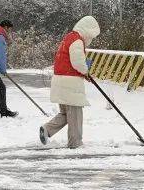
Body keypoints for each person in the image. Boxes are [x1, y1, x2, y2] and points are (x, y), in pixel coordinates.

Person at [39, 15, 100, 149]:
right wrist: (85, 71)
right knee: (76, 115)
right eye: (91, 35)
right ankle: (75, 143)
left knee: (66, 114)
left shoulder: (69, 37)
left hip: (60, 80)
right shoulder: (77, 41)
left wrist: (84, 72)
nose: (90, 39)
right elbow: (78, 62)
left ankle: (47, 129)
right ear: (87, 30)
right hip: (70, 82)